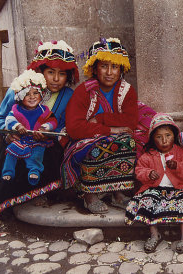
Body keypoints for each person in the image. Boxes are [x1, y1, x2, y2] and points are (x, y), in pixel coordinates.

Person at [63, 37, 155, 214]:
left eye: (115, 67)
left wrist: (100, 119)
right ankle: (89, 195)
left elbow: (130, 121)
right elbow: (75, 128)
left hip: (104, 131)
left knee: (128, 142)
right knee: (98, 145)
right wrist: (109, 130)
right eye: (104, 66)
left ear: (121, 69)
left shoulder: (126, 91)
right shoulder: (84, 92)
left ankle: (117, 193)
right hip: (85, 139)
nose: (109, 72)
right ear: (95, 68)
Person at [0, 40, 79, 214]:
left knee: (49, 153)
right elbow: (0, 118)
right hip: (16, 139)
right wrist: (9, 134)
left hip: (45, 145)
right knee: (11, 153)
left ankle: (40, 193)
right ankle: (13, 201)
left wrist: (51, 132)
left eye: (62, 74)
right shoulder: (20, 88)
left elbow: (65, 125)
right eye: (50, 72)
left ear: (68, 76)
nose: (56, 79)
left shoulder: (68, 95)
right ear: (40, 71)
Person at [125, 113, 183, 254]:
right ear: (153, 139)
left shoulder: (180, 153)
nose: (164, 140)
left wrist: (177, 166)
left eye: (168, 135)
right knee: (147, 202)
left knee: (182, 203)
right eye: (159, 137)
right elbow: (139, 171)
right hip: (155, 189)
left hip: (178, 189)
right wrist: (148, 173)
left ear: (174, 136)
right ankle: (154, 234)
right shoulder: (148, 155)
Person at [2, 70, 57, 185]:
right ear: (20, 96)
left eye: (35, 93)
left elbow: (52, 120)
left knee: (37, 153)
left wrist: (46, 128)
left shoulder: (44, 110)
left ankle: (34, 171)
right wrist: (17, 126)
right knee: (11, 151)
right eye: (27, 94)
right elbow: (9, 119)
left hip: (37, 140)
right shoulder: (17, 110)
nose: (32, 97)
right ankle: (8, 172)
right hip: (21, 139)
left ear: (41, 94)